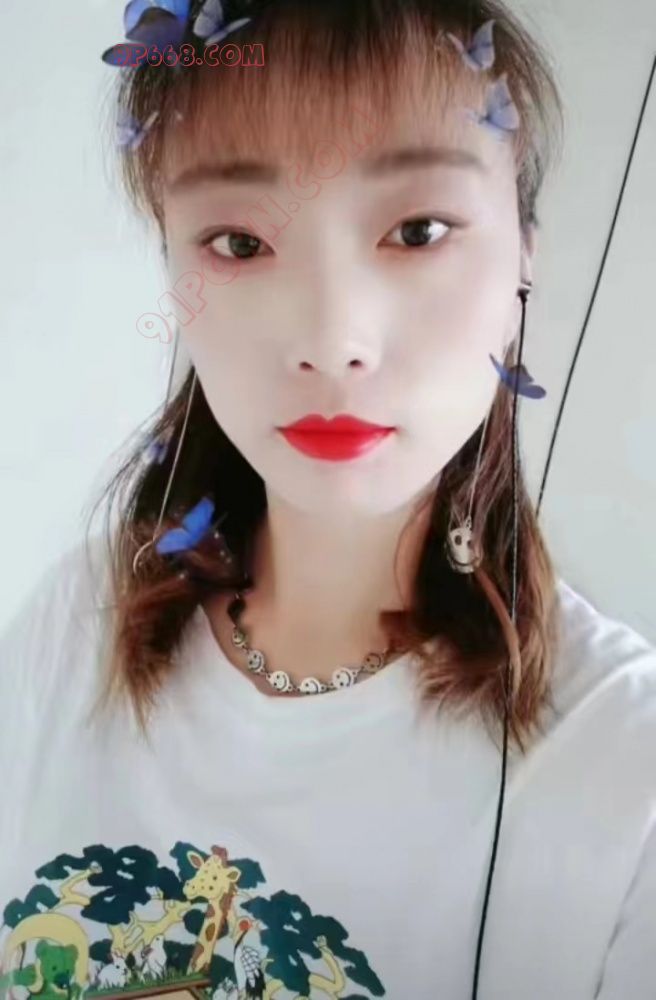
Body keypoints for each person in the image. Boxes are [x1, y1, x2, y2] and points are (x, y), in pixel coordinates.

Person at [1, 1, 655, 998]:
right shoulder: (81, 622)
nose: (332, 338)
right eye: (238, 242)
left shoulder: (623, 772)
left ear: (525, 253)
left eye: (416, 230)